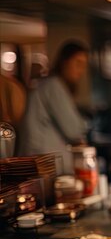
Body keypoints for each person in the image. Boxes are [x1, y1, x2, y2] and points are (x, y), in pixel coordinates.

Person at [17, 41, 88, 174]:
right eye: (78, 63)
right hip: (44, 166)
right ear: (64, 62)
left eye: (84, 65)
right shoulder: (53, 86)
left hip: (39, 164)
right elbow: (73, 130)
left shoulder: (49, 85)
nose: (81, 70)